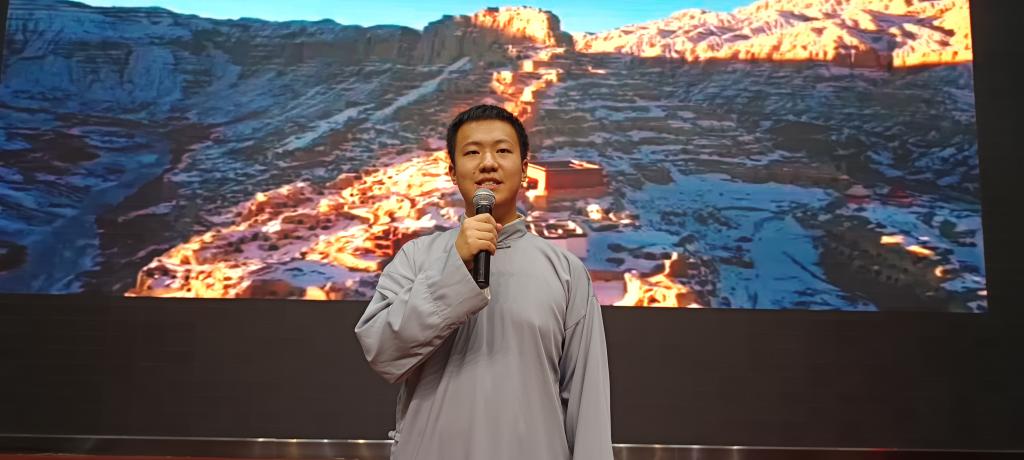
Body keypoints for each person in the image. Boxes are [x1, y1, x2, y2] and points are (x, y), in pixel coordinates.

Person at [354, 104, 613, 460]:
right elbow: (382, 352)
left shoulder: (565, 271)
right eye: (472, 152)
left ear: (524, 169)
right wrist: (454, 265)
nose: (488, 163)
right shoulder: (416, 257)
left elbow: (587, 403)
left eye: (502, 151)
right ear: (452, 171)